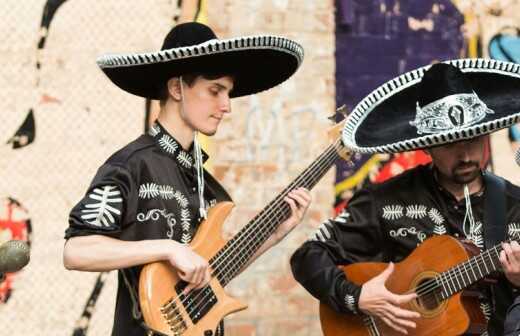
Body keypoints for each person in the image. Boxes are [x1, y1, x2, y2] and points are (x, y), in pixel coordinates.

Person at [63, 22, 311, 336]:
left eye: (228, 93)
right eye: (215, 90)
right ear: (177, 88)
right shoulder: (131, 166)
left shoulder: (207, 186)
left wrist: (274, 235)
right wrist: (167, 248)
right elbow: (77, 251)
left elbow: (211, 274)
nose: (227, 106)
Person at [291, 60, 520, 336]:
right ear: (425, 145)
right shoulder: (384, 200)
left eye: (473, 139)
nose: (467, 156)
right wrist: (356, 296)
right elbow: (307, 256)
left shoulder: (514, 205)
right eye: (450, 144)